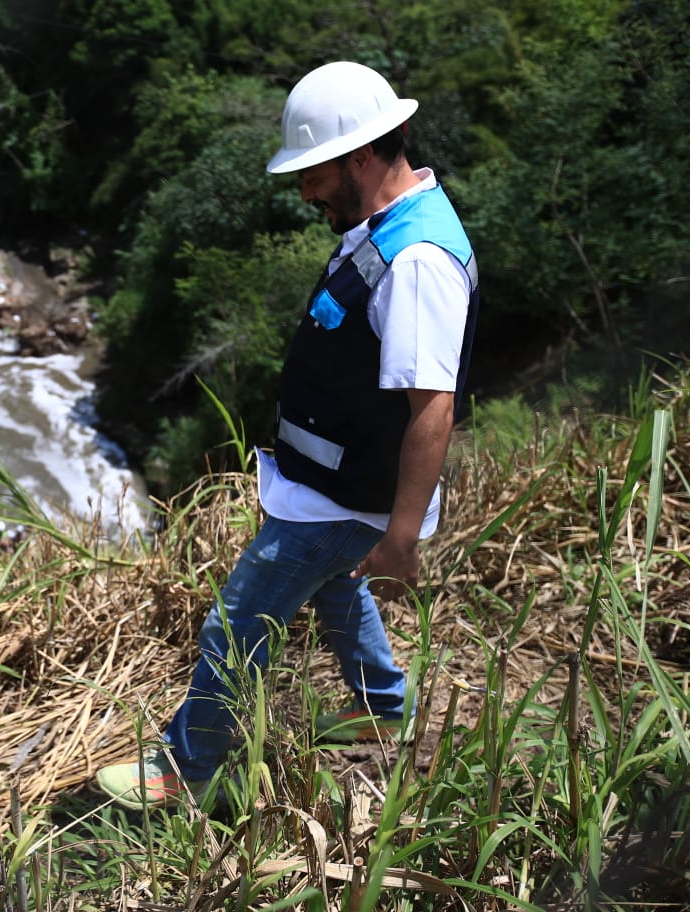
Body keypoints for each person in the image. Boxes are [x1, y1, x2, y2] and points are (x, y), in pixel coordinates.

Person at [95, 60, 479, 810]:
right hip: (329, 484)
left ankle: (186, 770)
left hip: (348, 498)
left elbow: (433, 407)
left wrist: (401, 535)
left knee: (236, 622)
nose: (304, 192)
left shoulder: (418, 259)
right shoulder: (386, 226)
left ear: (362, 155)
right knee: (339, 589)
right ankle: (380, 706)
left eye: (313, 173)